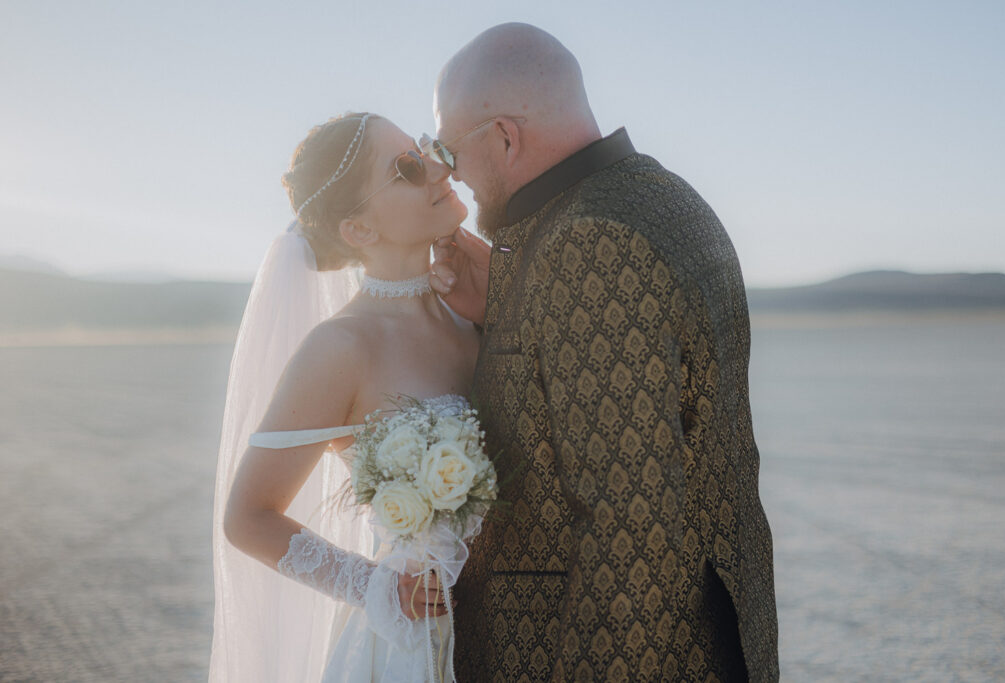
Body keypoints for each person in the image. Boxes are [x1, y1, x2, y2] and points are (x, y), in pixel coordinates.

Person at [428, 23, 780, 681]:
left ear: (505, 136)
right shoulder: (664, 196)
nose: (452, 174)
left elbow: (636, 537)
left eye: (450, 150)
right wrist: (499, 303)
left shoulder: (586, 243)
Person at [209, 112, 478, 682]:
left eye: (424, 149)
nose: (436, 168)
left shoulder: (470, 303)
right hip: (417, 646)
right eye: (407, 167)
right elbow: (247, 517)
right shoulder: (340, 347)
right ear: (358, 230)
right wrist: (376, 585)